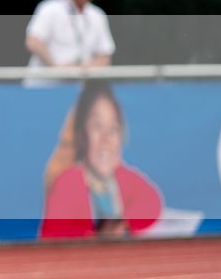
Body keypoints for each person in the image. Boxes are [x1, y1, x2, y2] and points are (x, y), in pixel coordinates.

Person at [40, 79, 162, 239]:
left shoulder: (122, 176)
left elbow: (151, 201)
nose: (106, 139)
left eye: (113, 129)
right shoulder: (68, 182)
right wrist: (100, 235)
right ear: (82, 134)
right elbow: (53, 235)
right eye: (97, 126)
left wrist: (123, 224)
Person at [24, 0, 113, 84]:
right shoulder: (50, 8)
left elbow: (105, 55)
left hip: (78, 88)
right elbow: (34, 42)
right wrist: (56, 69)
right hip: (44, 85)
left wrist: (86, 69)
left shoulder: (97, 14)